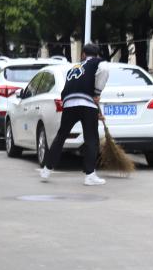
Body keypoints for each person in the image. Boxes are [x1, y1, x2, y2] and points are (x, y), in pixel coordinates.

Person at [40, 43, 109, 186]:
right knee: (91, 139)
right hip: (87, 103)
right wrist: (97, 92)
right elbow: (105, 69)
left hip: (69, 104)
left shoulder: (74, 67)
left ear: (83, 54)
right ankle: (90, 175)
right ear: (96, 55)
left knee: (61, 136)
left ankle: (47, 168)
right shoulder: (97, 62)